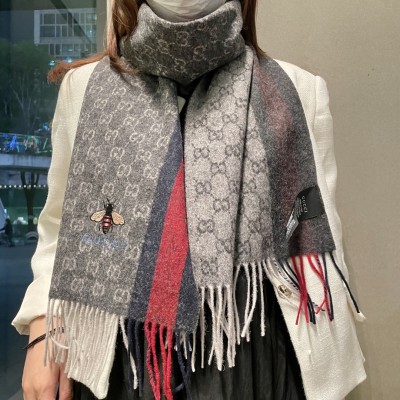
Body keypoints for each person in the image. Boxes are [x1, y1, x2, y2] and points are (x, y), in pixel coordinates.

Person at [13, 1, 366, 399]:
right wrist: (43, 328)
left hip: (255, 346)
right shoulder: (84, 89)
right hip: (124, 352)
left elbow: (314, 234)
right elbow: (61, 226)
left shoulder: (298, 90)